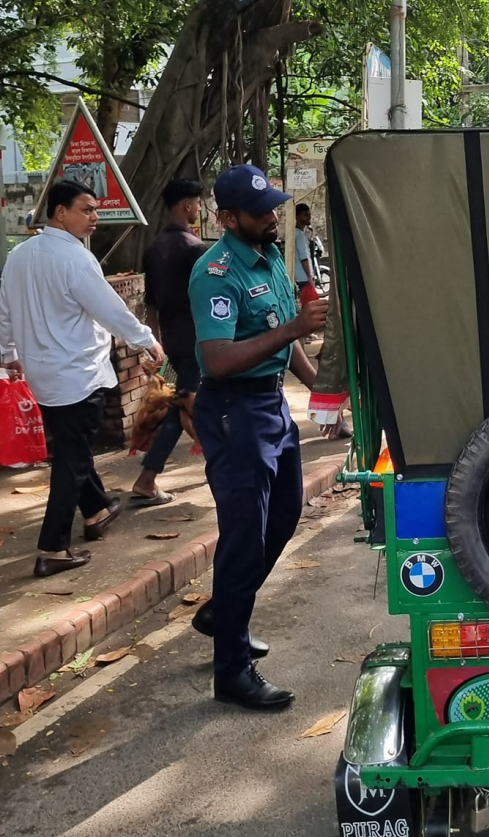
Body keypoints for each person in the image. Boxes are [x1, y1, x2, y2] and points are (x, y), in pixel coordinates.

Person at [188, 164, 328, 711]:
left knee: (286, 514)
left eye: (273, 207)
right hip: (232, 410)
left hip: (269, 405)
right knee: (245, 535)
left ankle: (224, 612)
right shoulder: (215, 273)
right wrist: (294, 330)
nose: (273, 217)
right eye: (261, 211)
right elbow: (217, 360)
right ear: (227, 218)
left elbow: (281, 336)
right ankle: (232, 672)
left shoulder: (269, 255)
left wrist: (323, 392)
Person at [0, 180, 165, 577]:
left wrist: (8, 354)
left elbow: (4, 309)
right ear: (60, 212)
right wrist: (146, 340)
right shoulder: (76, 260)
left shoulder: (19, 255)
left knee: (72, 449)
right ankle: (52, 547)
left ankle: (96, 510)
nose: (95, 217)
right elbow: (110, 308)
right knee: (72, 461)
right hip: (77, 374)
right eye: (86, 209)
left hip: (43, 373)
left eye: (95, 210)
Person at [133, 178, 207, 505]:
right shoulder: (195, 249)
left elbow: (150, 302)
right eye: (198, 203)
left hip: (172, 341)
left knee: (181, 404)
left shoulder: (154, 248)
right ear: (188, 205)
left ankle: (148, 475)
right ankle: (223, 462)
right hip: (198, 340)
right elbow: (208, 299)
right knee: (193, 403)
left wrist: (155, 343)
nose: (199, 209)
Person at [293, 202, 320, 306]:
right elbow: (304, 257)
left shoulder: (296, 233)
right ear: (297, 217)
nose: (308, 218)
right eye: (305, 215)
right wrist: (309, 276)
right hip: (304, 277)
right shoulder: (299, 235)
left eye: (309, 215)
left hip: (299, 276)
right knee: (310, 306)